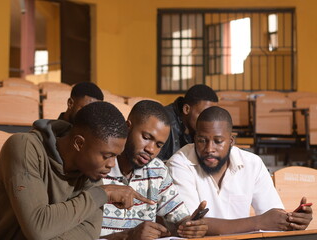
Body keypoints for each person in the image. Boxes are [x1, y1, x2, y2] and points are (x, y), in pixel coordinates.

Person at [0, 102, 155, 240]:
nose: (111, 164)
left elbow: (89, 233)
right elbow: (38, 228)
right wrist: (103, 194)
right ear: (79, 143)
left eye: (116, 156)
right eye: (107, 155)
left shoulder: (91, 169)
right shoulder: (24, 147)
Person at [167, 106, 313, 235]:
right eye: (201, 140)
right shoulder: (180, 163)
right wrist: (258, 222)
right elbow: (190, 224)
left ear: (231, 141)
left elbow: (273, 218)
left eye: (218, 141)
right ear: (195, 138)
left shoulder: (252, 163)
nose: (209, 149)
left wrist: (293, 221)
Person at [100, 100, 208, 240]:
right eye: (146, 137)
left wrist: (190, 226)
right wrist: (128, 236)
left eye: (159, 145)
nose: (151, 149)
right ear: (127, 128)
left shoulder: (157, 171)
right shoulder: (97, 166)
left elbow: (179, 218)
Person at [158, 84, 218, 161]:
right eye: (204, 114)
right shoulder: (162, 122)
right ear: (186, 109)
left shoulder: (199, 128)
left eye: (212, 115)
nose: (209, 120)